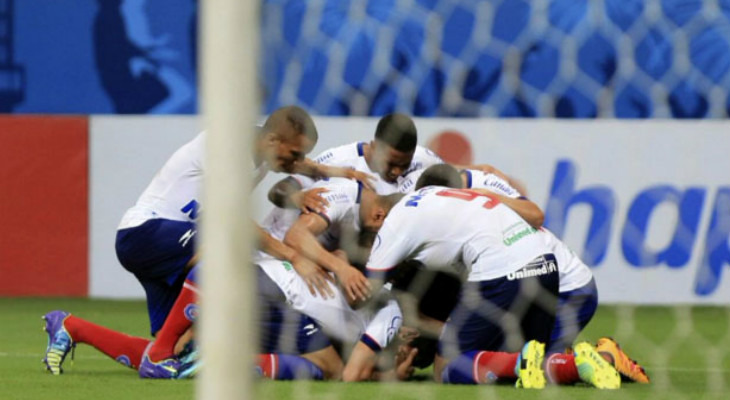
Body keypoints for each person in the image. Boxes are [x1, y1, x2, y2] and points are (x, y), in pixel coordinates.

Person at [41, 106, 364, 378]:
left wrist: (329, 169)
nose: (297, 160)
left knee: (178, 351)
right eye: (295, 152)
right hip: (148, 232)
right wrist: (293, 256)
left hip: (171, 247)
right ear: (271, 140)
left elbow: (296, 162)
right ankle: (160, 355)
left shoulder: (264, 145)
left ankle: (73, 327)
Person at [361, 181, 622, 389]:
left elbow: (367, 288)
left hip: (502, 268)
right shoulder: (431, 194)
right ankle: (599, 359)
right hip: (544, 263)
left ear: (379, 216)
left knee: (446, 369)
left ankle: (526, 364)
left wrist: (336, 266)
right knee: (537, 364)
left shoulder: (393, 225)